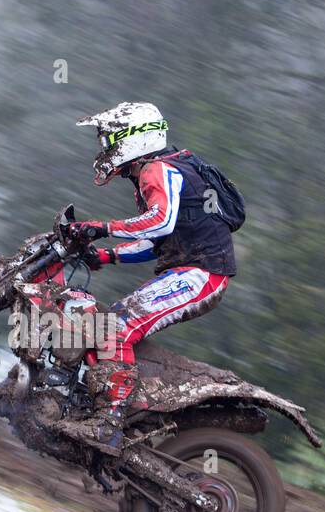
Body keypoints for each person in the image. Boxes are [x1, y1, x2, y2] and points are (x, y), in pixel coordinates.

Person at [55, 102, 237, 453]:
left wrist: (101, 228)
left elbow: (160, 222)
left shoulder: (157, 169)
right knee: (106, 325)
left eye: (109, 140)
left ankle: (108, 425)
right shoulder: (158, 170)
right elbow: (158, 242)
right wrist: (106, 254)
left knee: (114, 329)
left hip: (202, 274)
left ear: (133, 139)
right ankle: (102, 403)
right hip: (192, 271)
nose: (103, 148)